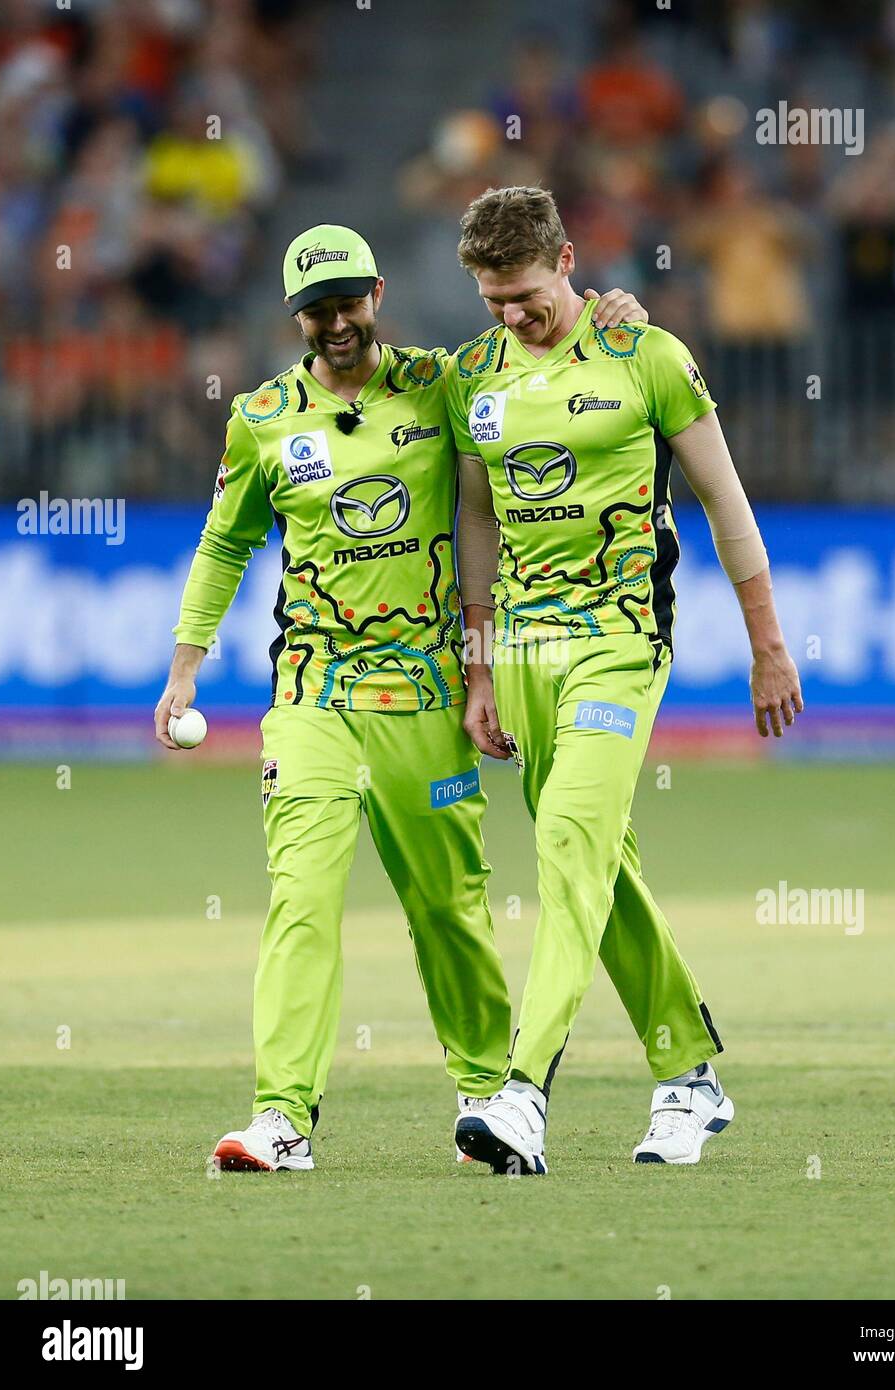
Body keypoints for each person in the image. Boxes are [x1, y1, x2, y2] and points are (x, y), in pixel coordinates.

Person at [154, 221, 645, 1171]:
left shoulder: (442, 383)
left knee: (449, 908)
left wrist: (614, 319)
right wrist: (186, 666)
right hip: (312, 696)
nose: (335, 323)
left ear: (378, 293)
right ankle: (282, 1117)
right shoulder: (262, 418)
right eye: (316, 310)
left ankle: (487, 1100)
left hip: (424, 698)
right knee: (302, 895)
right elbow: (224, 545)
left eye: (347, 303)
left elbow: (537, 360)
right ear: (296, 316)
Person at [447, 186, 803, 1176]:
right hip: (518, 656)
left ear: (567, 262)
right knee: (598, 863)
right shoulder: (471, 378)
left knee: (567, 842)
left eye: (524, 295)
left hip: (617, 640)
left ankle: (521, 1094)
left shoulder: (645, 356)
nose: (511, 317)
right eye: (490, 301)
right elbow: (474, 517)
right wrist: (477, 663)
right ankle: (688, 1074)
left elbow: (724, 505)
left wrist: (766, 643)